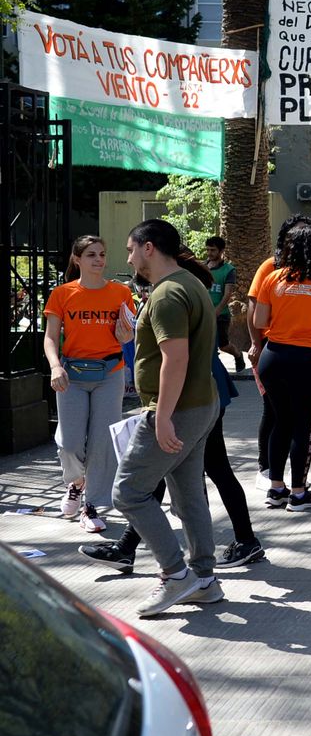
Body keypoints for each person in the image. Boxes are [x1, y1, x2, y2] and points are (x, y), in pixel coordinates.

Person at [112, 219, 223, 618]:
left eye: (130, 249)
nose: (128, 258)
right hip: (199, 405)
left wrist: (161, 417)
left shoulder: (167, 294)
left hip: (177, 409)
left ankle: (176, 575)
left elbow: (175, 360)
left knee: (128, 492)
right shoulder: (189, 284)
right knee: (189, 496)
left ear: (149, 248)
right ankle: (204, 580)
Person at [81, 348, 268, 572]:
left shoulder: (176, 322)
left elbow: (176, 353)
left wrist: (160, 409)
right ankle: (236, 546)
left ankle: (139, 553)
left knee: (185, 471)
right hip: (194, 391)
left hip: (188, 395)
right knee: (200, 470)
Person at [250, 223, 311, 511]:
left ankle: (276, 489)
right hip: (307, 360)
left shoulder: (273, 278)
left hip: (273, 357)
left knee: (281, 422)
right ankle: (299, 494)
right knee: (303, 426)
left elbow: (259, 321)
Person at [44, 235, 135, 533]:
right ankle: (76, 482)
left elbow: (128, 334)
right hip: (71, 374)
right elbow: (50, 337)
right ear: (77, 259)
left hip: (110, 373)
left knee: (101, 441)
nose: (99, 260)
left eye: (102, 254)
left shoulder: (121, 292)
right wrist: (55, 366)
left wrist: (126, 336)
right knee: (70, 443)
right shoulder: (62, 293)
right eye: (92, 254)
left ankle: (92, 505)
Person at [247, 215, 311, 492]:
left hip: (305, 351)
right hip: (271, 348)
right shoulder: (271, 267)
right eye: (295, 234)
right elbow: (254, 307)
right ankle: (265, 468)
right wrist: (256, 343)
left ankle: (292, 475)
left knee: (297, 418)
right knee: (274, 411)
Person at [204, 236, 244, 371]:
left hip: (221, 315)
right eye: (208, 250)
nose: (209, 253)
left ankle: (238, 355)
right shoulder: (202, 267)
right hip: (204, 313)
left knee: (223, 345)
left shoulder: (229, 270)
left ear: (221, 251)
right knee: (207, 345)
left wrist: (217, 311)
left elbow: (227, 294)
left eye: (213, 250)